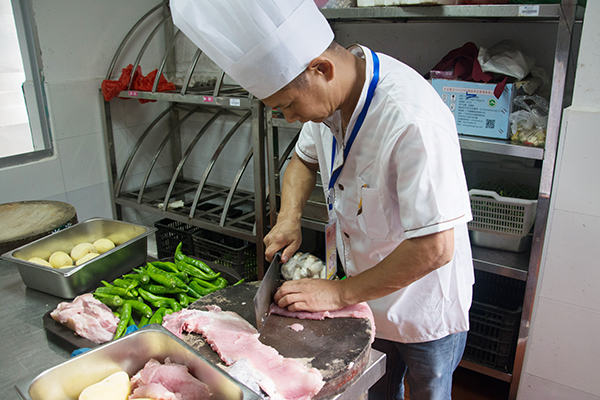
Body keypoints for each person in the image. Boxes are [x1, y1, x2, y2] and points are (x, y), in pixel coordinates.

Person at [170, 1, 474, 399]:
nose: (290, 118)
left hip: (422, 303)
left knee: (428, 391)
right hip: (366, 293)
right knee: (379, 388)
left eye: (288, 106)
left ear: (322, 69)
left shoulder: (411, 120)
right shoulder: (332, 101)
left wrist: (338, 294)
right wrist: (289, 217)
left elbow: (435, 248)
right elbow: (302, 160)